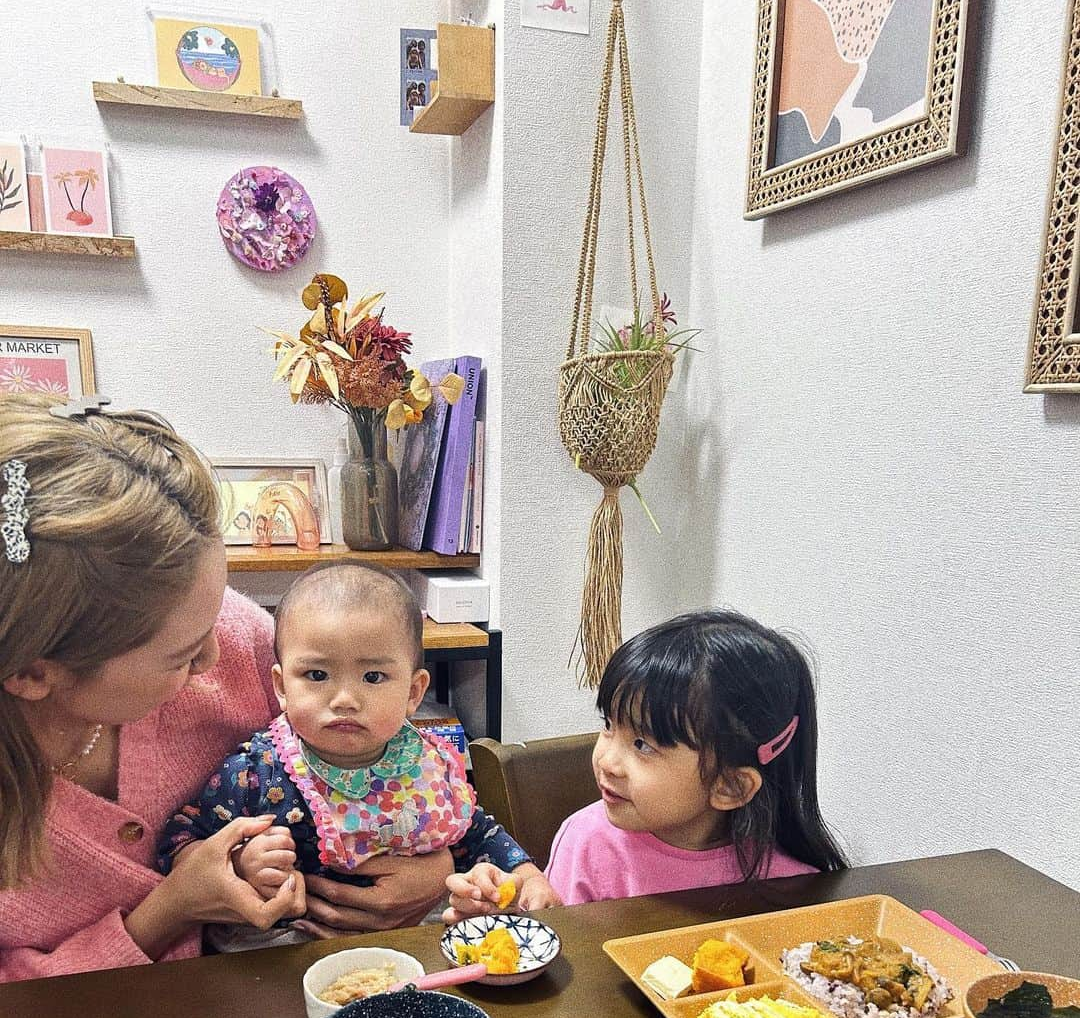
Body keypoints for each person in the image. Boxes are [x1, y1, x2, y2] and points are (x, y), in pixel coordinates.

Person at [0, 395, 455, 982]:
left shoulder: (240, 641)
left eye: (217, 614)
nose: (219, 655)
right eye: (181, 655)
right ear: (33, 673)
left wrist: (435, 865)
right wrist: (168, 912)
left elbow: (379, 755)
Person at [158, 563, 550, 949]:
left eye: (373, 677)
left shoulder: (425, 764)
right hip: (283, 948)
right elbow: (180, 840)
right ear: (281, 686)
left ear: (414, 692)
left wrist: (525, 872)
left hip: (408, 937)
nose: (345, 699)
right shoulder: (254, 770)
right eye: (316, 675)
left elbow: (471, 831)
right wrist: (242, 863)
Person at [445, 609, 848, 917]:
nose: (607, 760)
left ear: (731, 787)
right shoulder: (588, 841)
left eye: (642, 744)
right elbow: (558, 951)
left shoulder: (790, 884)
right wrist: (511, 916)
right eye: (608, 725)